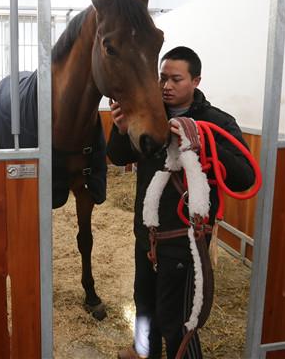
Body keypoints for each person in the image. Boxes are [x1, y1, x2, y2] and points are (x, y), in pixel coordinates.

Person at [109, 46, 255, 359]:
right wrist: (120, 130)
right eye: (162, 78)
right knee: (144, 301)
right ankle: (144, 350)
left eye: (176, 79)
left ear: (196, 81)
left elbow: (244, 177)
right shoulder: (148, 113)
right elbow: (119, 156)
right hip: (147, 233)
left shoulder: (216, 121)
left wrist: (202, 141)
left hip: (185, 239)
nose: (166, 85)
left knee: (177, 318)